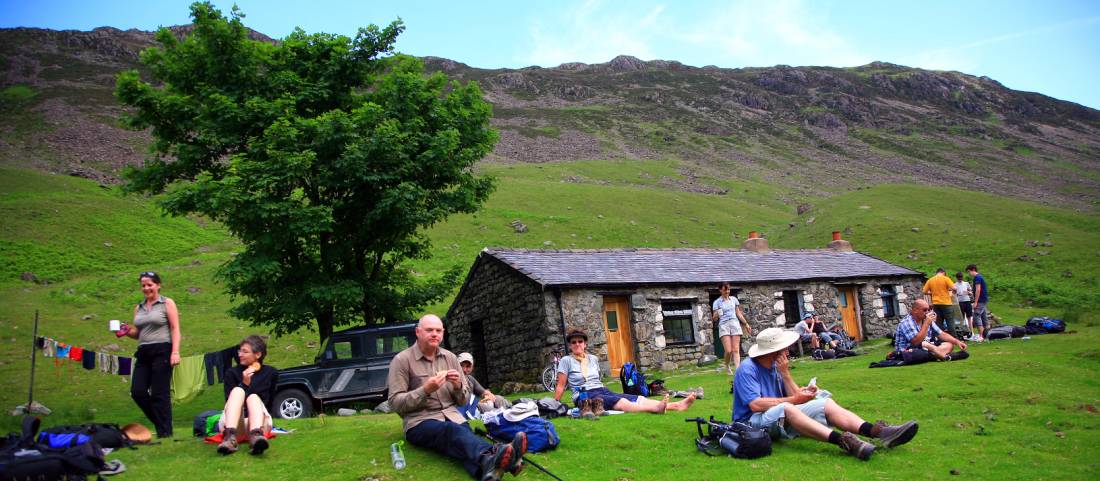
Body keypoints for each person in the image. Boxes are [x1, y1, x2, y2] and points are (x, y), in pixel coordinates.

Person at [732, 328, 919, 460]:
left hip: (777, 416)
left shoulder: (776, 366)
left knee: (824, 401)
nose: (788, 350)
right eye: (784, 347)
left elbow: (793, 395)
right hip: (751, 424)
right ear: (773, 351)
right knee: (788, 407)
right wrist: (795, 399)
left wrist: (794, 382)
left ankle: (879, 432)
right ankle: (845, 442)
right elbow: (755, 405)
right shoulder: (747, 369)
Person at [387, 315, 526, 481]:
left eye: (438, 330)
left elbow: (463, 402)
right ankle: (504, 458)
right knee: (454, 432)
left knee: (462, 442)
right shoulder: (402, 360)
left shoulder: (451, 358)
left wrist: (458, 386)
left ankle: (490, 472)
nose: (434, 334)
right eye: (429, 330)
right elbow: (395, 403)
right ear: (418, 332)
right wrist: (425, 390)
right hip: (419, 422)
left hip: (453, 417)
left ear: (443, 333)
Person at [553, 329, 695, 417]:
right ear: (570, 345)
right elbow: (560, 385)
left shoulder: (593, 359)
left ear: (585, 344)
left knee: (636, 397)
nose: (577, 344)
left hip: (601, 389)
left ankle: (677, 405)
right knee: (620, 402)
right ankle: (656, 408)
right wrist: (554, 405)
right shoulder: (566, 360)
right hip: (584, 395)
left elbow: (597, 379)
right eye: (573, 342)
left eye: (580, 341)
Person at [117, 271, 181, 438]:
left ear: (158, 285)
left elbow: (175, 328)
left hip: (162, 349)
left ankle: (165, 432)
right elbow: (138, 333)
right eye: (143, 285)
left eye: (150, 285)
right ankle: (162, 424)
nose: (146, 288)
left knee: (160, 393)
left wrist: (175, 351)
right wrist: (125, 331)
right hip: (144, 351)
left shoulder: (167, 303)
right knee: (137, 391)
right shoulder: (138, 307)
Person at [217, 335, 278, 456]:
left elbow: (269, 402)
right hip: (234, 425)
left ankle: (256, 438)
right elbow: (229, 403)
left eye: (245, 351)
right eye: (240, 350)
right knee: (237, 391)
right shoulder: (231, 373)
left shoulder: (271, 373)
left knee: (253, 397)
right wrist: (244, 385)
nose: (239, 354)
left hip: (260, 424)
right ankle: (229, 438)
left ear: (258, 355)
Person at [893, 299, 968, 360]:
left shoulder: (926, 319)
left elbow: (941, 334)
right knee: (924, 345)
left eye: (929, 310)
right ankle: (942, 356)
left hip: (927, 348)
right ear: (915, 310)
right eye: (925, 310)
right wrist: (926, 324)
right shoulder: (907, 322)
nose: (927, 312)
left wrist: (957, 341)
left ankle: (935, 354)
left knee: (949, 344)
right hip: (908, 350)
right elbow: (916, 341)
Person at [712, 282, 753, 373]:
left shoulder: (734, 300)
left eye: (728, 289)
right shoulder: (717, 302)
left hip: (734, 323)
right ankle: (726, 365)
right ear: (720, 290)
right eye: (725, 290)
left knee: (735, 349)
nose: (727, 291)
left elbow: (738, 313)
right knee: (728, 350)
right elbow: (714, 318)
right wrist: (717, 313)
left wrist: (746, 324)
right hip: (724, 325)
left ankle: (738, 370)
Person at [922, 268, 957, 336]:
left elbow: (924, 291)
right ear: (943, 272)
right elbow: (954, 288)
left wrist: (931, 293)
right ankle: (954, 338)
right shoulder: (945, 278)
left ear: (936, 272)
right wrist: (953, 292)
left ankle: (941, 339)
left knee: (939, 322)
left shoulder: (930, 280)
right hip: (946, 303)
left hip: (936, 304)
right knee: (950, 322)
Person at [968, 264, 990, 342]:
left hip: (980, 300)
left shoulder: (977, 278)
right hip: (983, 299)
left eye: (969, 271)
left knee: (976, 315)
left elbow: (978, 290)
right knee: (984, 317)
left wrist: (975, 302)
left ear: (973, 269)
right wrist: (971, 293)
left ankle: (981, 335)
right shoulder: (979, 277)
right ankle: (988, 334)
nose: (969, 274)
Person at [955, 272, 976, 341]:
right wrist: (957, 294)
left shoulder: (966, 283)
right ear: (957, 278)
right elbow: (953, 294)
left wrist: (968, 293)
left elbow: (971, 292)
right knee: (962, 318)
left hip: (967, 301)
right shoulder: (954, 285)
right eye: (959, 278)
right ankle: (963, 333)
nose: (960, 279)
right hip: (960, 302)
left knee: (969, 317)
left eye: (961, 278)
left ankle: (972, 332)